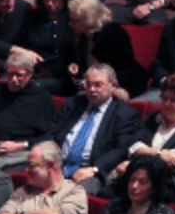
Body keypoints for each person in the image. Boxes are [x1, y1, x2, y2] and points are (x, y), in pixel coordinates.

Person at [49, 64, 142, 196]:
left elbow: (120, 150)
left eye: (98, 85)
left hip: (90, 171)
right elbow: (52, 132)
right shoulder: (73, 104)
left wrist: (95, 169)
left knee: (71, 195)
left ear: (113, 86)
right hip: (57, 164)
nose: (92, 89)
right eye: (88, 84)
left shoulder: (125, 114)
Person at [118, 73, 175, 204]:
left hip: (167, 188)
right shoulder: (152, 118)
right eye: (164, 98)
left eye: (174, 100)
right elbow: (133, 147)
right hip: (136, 180)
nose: (167, 104)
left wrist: (140, 156)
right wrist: (159, 153)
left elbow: (173, 161)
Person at [0, 53, 57, 173]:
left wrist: (21, 145)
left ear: (30, 75)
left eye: (19, 75)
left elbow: (49, 136)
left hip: (21, 152)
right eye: (10, 74)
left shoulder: (41, 97)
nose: (13, 79)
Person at [63, 0, 148, 97]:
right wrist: (75, 67)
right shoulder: (83, 36)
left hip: (121, 85)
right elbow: (85, 66)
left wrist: (101, 83)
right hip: (93, 85)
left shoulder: (113, 33)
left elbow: (126, 70)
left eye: (74, 21)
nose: (70, 24)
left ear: (87, 19)